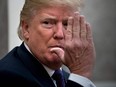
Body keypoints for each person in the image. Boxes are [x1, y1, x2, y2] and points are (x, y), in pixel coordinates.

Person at [0, 0, 96, 87]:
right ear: (26, 28)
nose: (60, 34)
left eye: (66, 24)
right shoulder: (8, 75)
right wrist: (80, 73)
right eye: (47, 23)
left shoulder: (66, 77)